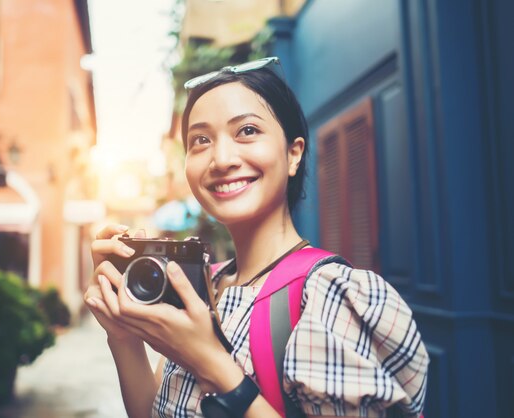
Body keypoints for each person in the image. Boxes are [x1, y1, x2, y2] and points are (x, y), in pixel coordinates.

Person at [84, 57, 429, 418]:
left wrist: (211, 363)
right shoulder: (200, 284)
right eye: (200, 140)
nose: (221, 158)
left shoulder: (329, 296)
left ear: (293, 154)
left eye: (247, 131)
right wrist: (123, 337)